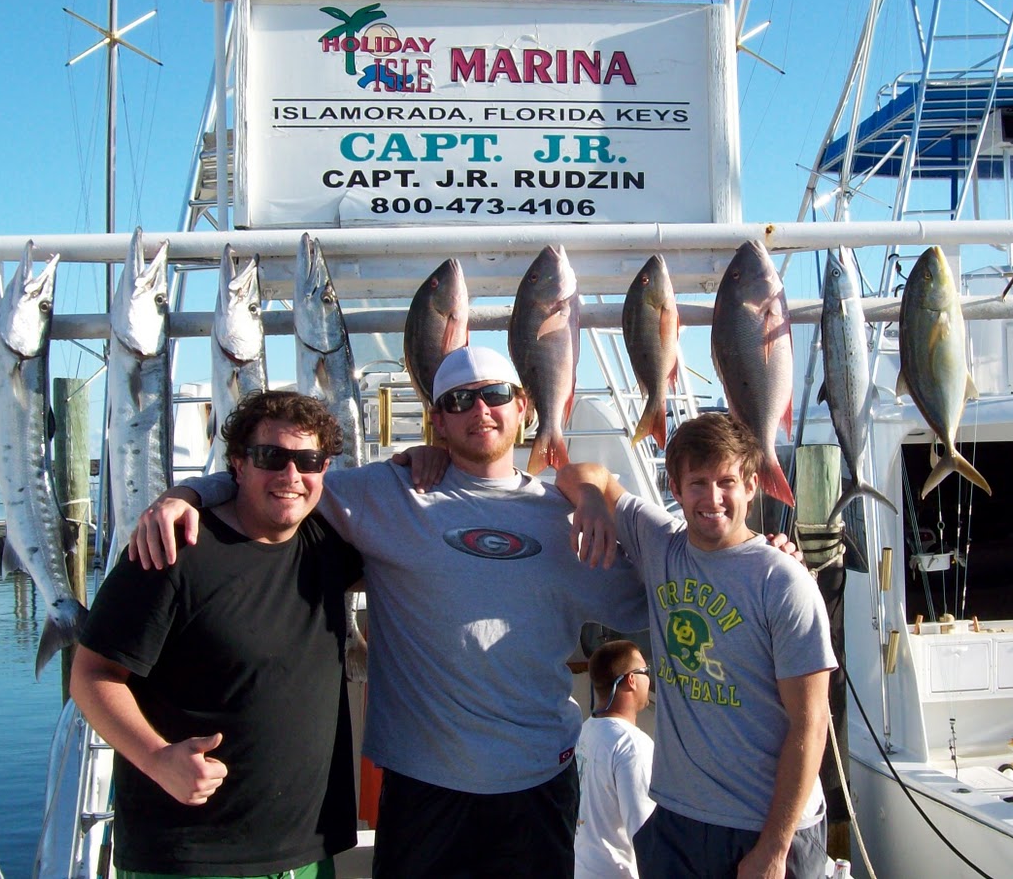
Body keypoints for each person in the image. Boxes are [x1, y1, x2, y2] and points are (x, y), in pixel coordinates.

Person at [129, 345, 648, 879]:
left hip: (539, 785)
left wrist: (595, 485)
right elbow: (286, 482)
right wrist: (187, 492)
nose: (479, 410)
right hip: (422, 790)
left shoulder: (567, 518)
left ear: (523, 407)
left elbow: (655, 593)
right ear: (438, 422)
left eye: (494, 395)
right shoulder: (391, 493)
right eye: (459, 400)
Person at [70, 390, 363, 878]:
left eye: (308, 460)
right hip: (191, 856)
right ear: (238, 465)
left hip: (307, 850)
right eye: (272, 457)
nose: (291, 476)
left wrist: (426, 455)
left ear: (324, 469)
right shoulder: (172, 550)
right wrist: (158, 758)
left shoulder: (327, 547)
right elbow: (91, 675)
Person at [559, 413, 837, 879]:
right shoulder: (660, 544)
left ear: (751, 485)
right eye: (698, 483)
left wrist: (773, 849)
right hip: (677, 822)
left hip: (765, 827)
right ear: (675, 486)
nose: (712, 499)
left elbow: (811, 724)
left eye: (726, 481)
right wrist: (589, 499)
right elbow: (581, 473)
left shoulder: (782, 582)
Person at [576, 639, 656, 879]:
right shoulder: (631, 745)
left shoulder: (583, 732)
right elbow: (646, 833)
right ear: (631, 680)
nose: (648, 677)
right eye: (646, 671)